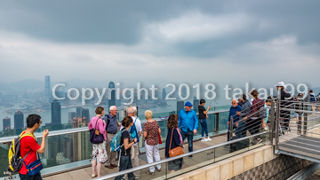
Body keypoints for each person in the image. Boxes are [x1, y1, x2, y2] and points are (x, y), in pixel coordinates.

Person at [19, 114, 49, 180]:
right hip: (28, 171)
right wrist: (44, 136)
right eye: (40, 122)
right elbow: (41, 150)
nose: (40, 124)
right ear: (35, 124)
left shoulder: (24, 133)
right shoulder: (28, 138)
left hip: (33, 167)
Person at [88, 106, 108, 178]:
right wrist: (104, 124)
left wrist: (94, 130)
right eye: (103, 111)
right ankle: (99, 176)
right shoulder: (100, 120)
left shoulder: (92, 118)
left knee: (94, 156)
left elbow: (89, 126)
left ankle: (93, 173)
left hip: (94, 140)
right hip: (100, 141)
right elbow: (102, 131)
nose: (104, 112)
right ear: (101, 112)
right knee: (99, 158)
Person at [143, 110, 161, 174]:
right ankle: (158, 167)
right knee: (156, 154)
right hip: (156, 141)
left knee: (149, 156)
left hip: (149, 142)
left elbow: (145, 135)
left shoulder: (146, 124)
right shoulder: (155, 122)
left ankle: (152, 170)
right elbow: (159, 131)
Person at [127, 106, 142, 179]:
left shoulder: (126, 120)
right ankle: (137, 174)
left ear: (127, 113)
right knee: (136, 157)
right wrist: (136, 139)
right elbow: (139, 132)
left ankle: (128, 174)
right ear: (134, 113)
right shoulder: (137, 120)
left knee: (127, 158)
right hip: (135, 142)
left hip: (127, 143)